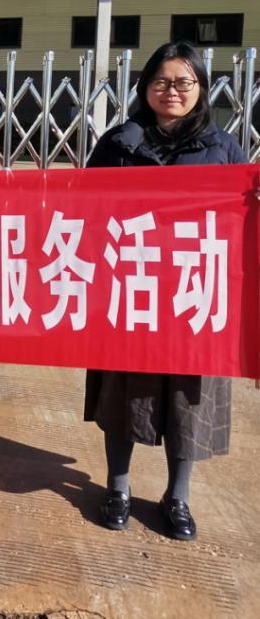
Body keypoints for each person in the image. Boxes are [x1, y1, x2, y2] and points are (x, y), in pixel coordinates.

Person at [85, 41, 242, 541]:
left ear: (201, 87)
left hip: (194, 293)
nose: (171, 91)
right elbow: (83, 208)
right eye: (160, 82)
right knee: (121, 394)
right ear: (144, 87)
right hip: (129, 290)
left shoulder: (224, 148)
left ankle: (178, 497)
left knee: (186, 398)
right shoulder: (118, 143)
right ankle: (118, 488)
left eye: (183, 82)